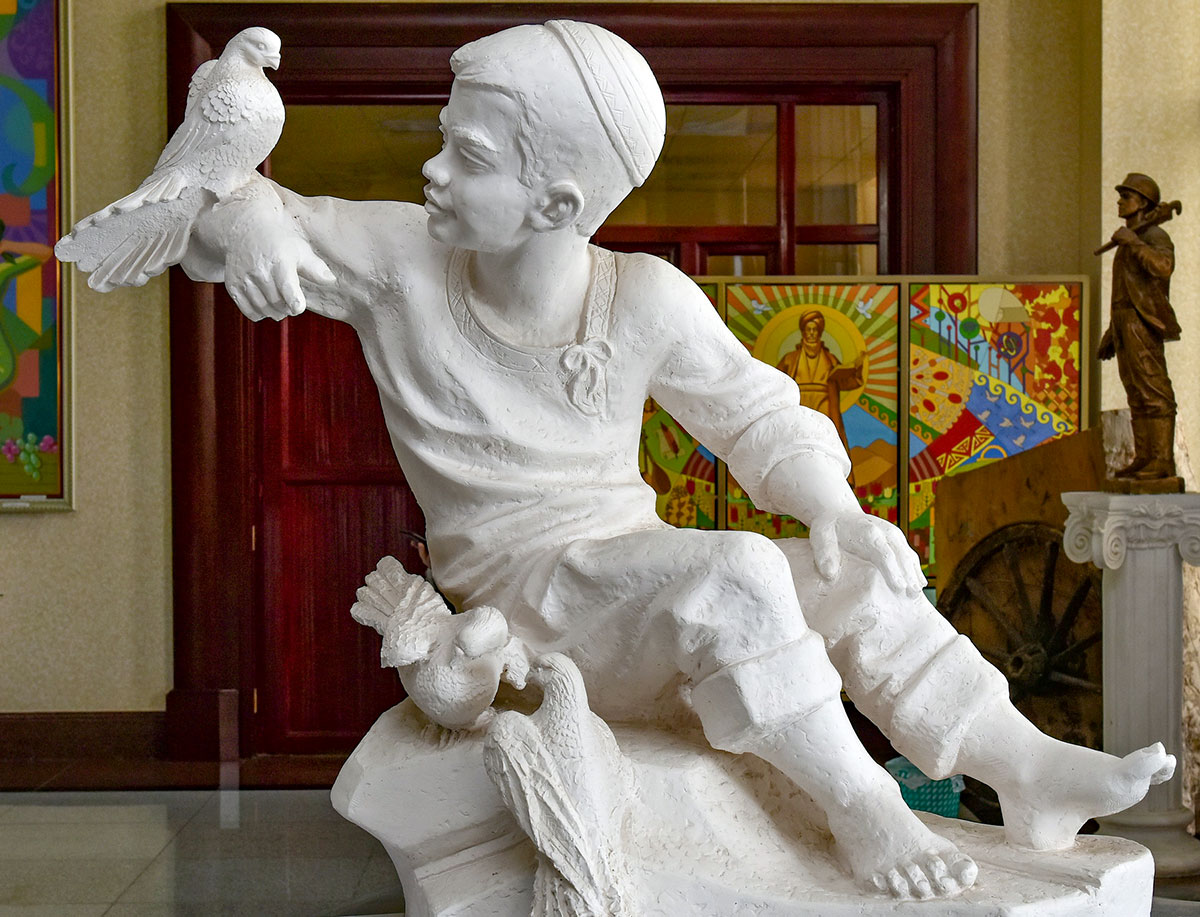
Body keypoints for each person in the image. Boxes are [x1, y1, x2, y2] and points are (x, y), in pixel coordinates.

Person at [63, 21, 1173, 901]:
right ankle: (862, 806)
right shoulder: (402, 262)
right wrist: (254, 221)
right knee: (739, 570)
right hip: (521, 602)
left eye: (468, 155)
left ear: (558, 203)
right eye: (443, 138)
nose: (433, 170)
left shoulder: (642, 297)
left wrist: (832, 509)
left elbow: (759, 417)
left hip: (622, 574)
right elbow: (210, 216)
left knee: (846, 567)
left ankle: (1020, 762)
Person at [1097, 172, 1180, 479]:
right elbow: (1125, 290)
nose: (1120, 202)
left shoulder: (1154, 236)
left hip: (1143, 321)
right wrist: (1111, 331)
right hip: (1124, 320)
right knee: (1135, 391)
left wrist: (1133, 242)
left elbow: (1163, 267)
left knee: (1153, 388)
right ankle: (1145, 457)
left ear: (1143, 203)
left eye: (1126, 196)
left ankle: (1162, 460)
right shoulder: (1129, 241)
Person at [776, 308, 863, 476]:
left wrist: (857, 371)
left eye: (814, 329)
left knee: (825, 445)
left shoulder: (830, 359)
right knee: (797, 443)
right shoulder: (790, 358)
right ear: (803, 331)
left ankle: (828, 478)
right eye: (808, 329)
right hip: (799, 405)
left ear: (820, 332)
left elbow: (844, 382)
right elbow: (776, 381)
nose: (811, 333)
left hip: (825, 406)